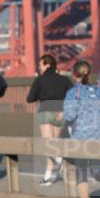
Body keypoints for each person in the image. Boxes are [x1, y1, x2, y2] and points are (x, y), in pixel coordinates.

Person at [27, 54, 73, 186]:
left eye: (41, 65)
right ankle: (51, 172)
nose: (39, 67)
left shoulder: (40, 80)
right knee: (54, 142)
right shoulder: (65, 79)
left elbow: (30, 99)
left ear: (47, 65)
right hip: (60, 111)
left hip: (46, 110)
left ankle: (51, 171)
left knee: (48, 144)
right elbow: (71, 97)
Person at [63, 61, 100, 198]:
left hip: (80, 137)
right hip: (99, 136)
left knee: (81, 170)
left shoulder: (74, 92)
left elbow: (69, 116)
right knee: (98, 172)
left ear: (74, 75)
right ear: (89, 73)